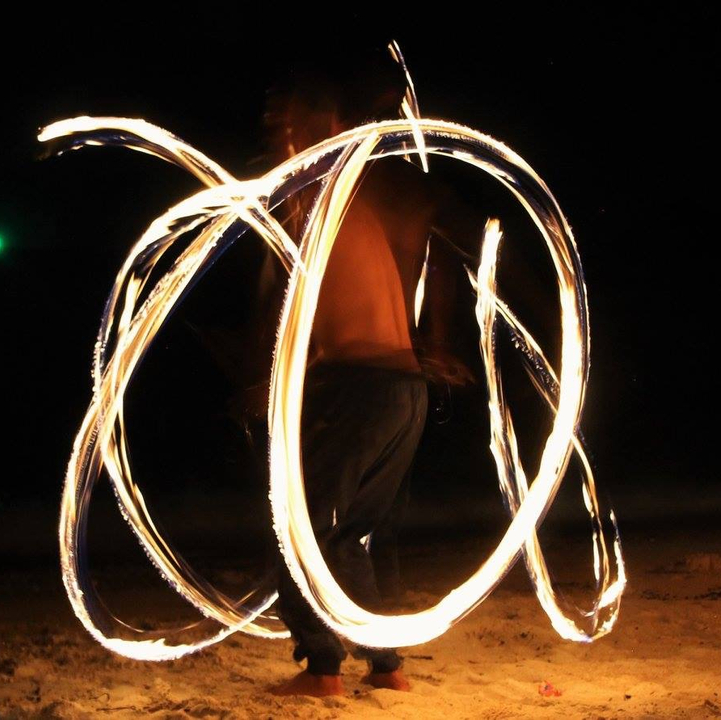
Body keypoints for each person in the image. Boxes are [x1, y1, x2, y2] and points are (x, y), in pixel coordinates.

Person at [238, 49, 476, 698]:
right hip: (402, 389)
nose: (274, 132)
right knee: (358, 532)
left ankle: (321, 669)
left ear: (319, 121)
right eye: (272, 120)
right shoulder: (362, 188)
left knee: (300, 526)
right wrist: (435, 337)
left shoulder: (316, 183)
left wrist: (272, 374)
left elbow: (293, 303)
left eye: (284, 118)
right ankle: (387, 664)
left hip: (364, 388)